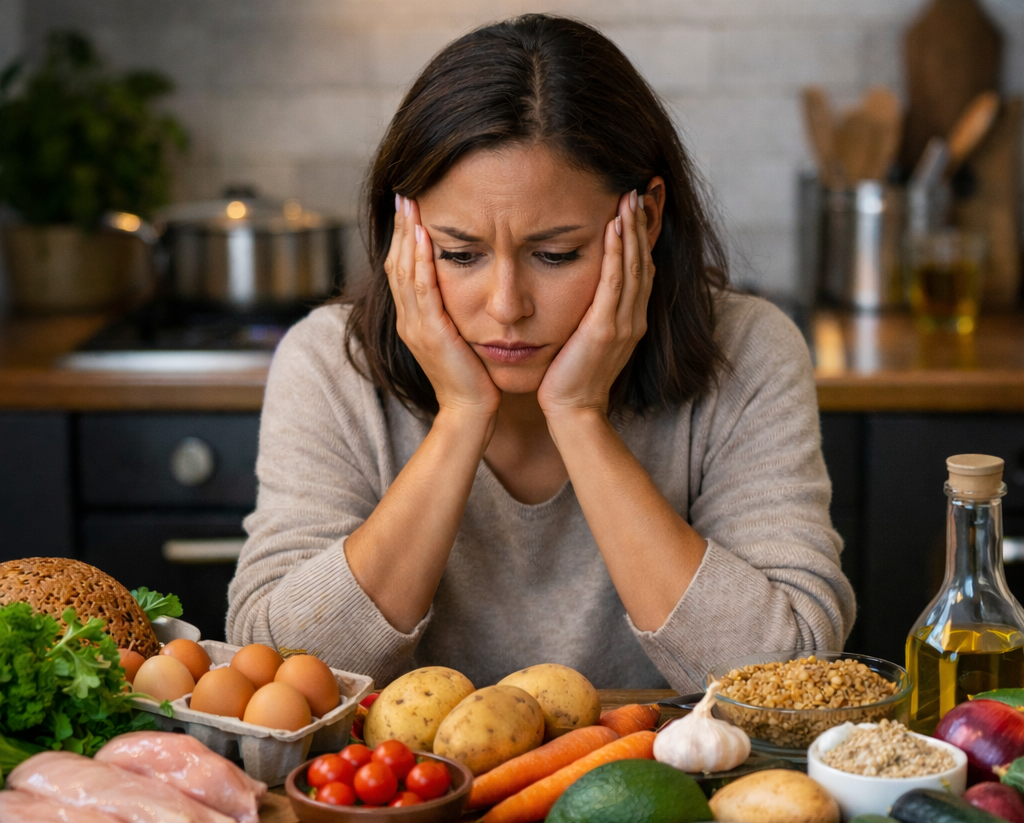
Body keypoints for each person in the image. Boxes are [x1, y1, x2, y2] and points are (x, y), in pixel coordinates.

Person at [227, 14, 854, 691]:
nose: (506, 305)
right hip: (410, 795)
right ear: (403, 234)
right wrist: (462, 416)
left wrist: (580, 415)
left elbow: (793, 669)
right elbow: (280, 670)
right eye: (459, 254)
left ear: (644, 219)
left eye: (556, 255)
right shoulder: (327, 364)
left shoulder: (751, 351)